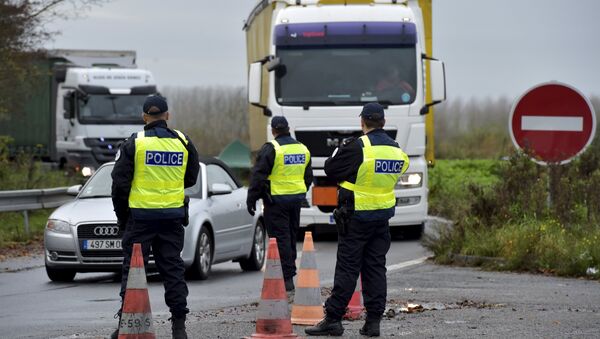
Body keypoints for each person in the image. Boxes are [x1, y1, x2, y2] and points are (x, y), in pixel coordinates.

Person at [305, 102, 409, 337]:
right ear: (383, 122)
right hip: (381, 218)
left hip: (356, 216)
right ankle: (373, 323)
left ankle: (333, 319)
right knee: (375, 269)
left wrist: (340, 153)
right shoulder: (396, 150)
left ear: (362, 122)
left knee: (348, 269)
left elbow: (332, 169)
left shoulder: (358, 146)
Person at [110, 95, 200, 339]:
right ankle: (179, 327)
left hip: (140, 219)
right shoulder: (183, 141)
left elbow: (119, 185)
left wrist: (122, 218)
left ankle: (126, 324)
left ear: (144, 117)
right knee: (173, 270)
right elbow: (191, 177)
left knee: (133, 272)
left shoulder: (135, 143)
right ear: (167, 116)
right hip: (172, 217)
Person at [246, 116, 313, 291]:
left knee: (280, 238)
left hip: (276, 202)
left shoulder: (272, 148)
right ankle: (288, 274)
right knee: (290, 237)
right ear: (288, 129)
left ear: (274, 131)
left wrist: (252, 198)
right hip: (296, 200)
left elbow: (258, 176)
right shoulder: (302, 148)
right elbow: (308, 178)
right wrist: (299, 192)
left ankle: (287, 278)